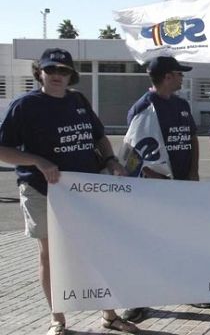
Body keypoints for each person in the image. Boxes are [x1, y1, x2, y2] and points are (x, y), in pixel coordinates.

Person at [0, 48, 138, 334]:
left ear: (71, 75)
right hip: (42, 190)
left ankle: (109, 314)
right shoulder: (24, 105)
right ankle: (57, 319)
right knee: (49, 255)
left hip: (83, 192)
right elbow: (4, 150)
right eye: (51, 70)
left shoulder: (77, 100)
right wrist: (37, 160)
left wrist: (111, 160)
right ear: (40, 72)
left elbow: (98, 136)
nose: (57, 76)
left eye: (63, 71)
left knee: (94, 251)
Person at [122, 56, 206, 323]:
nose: (182, 77)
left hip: (182, 188)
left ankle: (189, 290)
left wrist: (193, 171)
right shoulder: (143, 108)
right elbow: (135, 155)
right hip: (154, 192)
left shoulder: (181, 104)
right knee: (146, 246)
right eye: (179, 74)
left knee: (184, 242)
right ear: (168, 76)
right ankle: (137, 301)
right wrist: (154, 178)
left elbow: (191, 139)